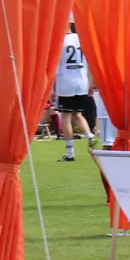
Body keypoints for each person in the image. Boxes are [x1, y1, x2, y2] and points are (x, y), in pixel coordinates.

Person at [52, 23, 96, 161]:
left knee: (65, 117)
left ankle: (70, 152)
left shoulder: (59, 41)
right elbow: (90, 62)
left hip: (65, 82)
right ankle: (90, 136)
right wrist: (91, 82)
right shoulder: (81, 38)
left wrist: (52, 88)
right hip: (81, 81)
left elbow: (54, 66)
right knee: (77, 114)